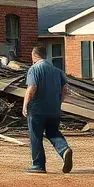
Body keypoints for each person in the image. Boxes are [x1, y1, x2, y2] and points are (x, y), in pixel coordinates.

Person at [22, 46, 73, 174]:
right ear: (45, 56)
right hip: (54, 109)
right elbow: (65, 89)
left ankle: (38, 165)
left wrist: (25, 105)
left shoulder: (34, 69)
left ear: (34, 56)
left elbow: (32, 88)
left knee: (35, 135)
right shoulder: (57, 71)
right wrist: (58, 103)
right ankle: (64, 149)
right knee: (53, 132)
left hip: (37, 109)